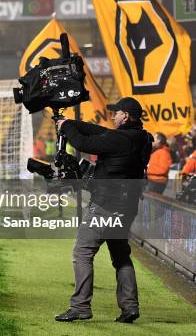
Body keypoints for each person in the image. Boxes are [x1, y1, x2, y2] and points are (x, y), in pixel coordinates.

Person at [54, 97, 152, 324]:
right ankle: (130, 307)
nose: (113, 116)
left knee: (83, 253)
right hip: (127, 208)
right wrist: (71, 122)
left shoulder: (120, 139)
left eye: (116, 113)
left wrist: (68, 128)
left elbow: (83, 144)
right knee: (120, 256)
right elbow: (100, 131)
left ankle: (80, 307)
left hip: (106, 207)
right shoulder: (142, 137)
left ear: (125, 116)